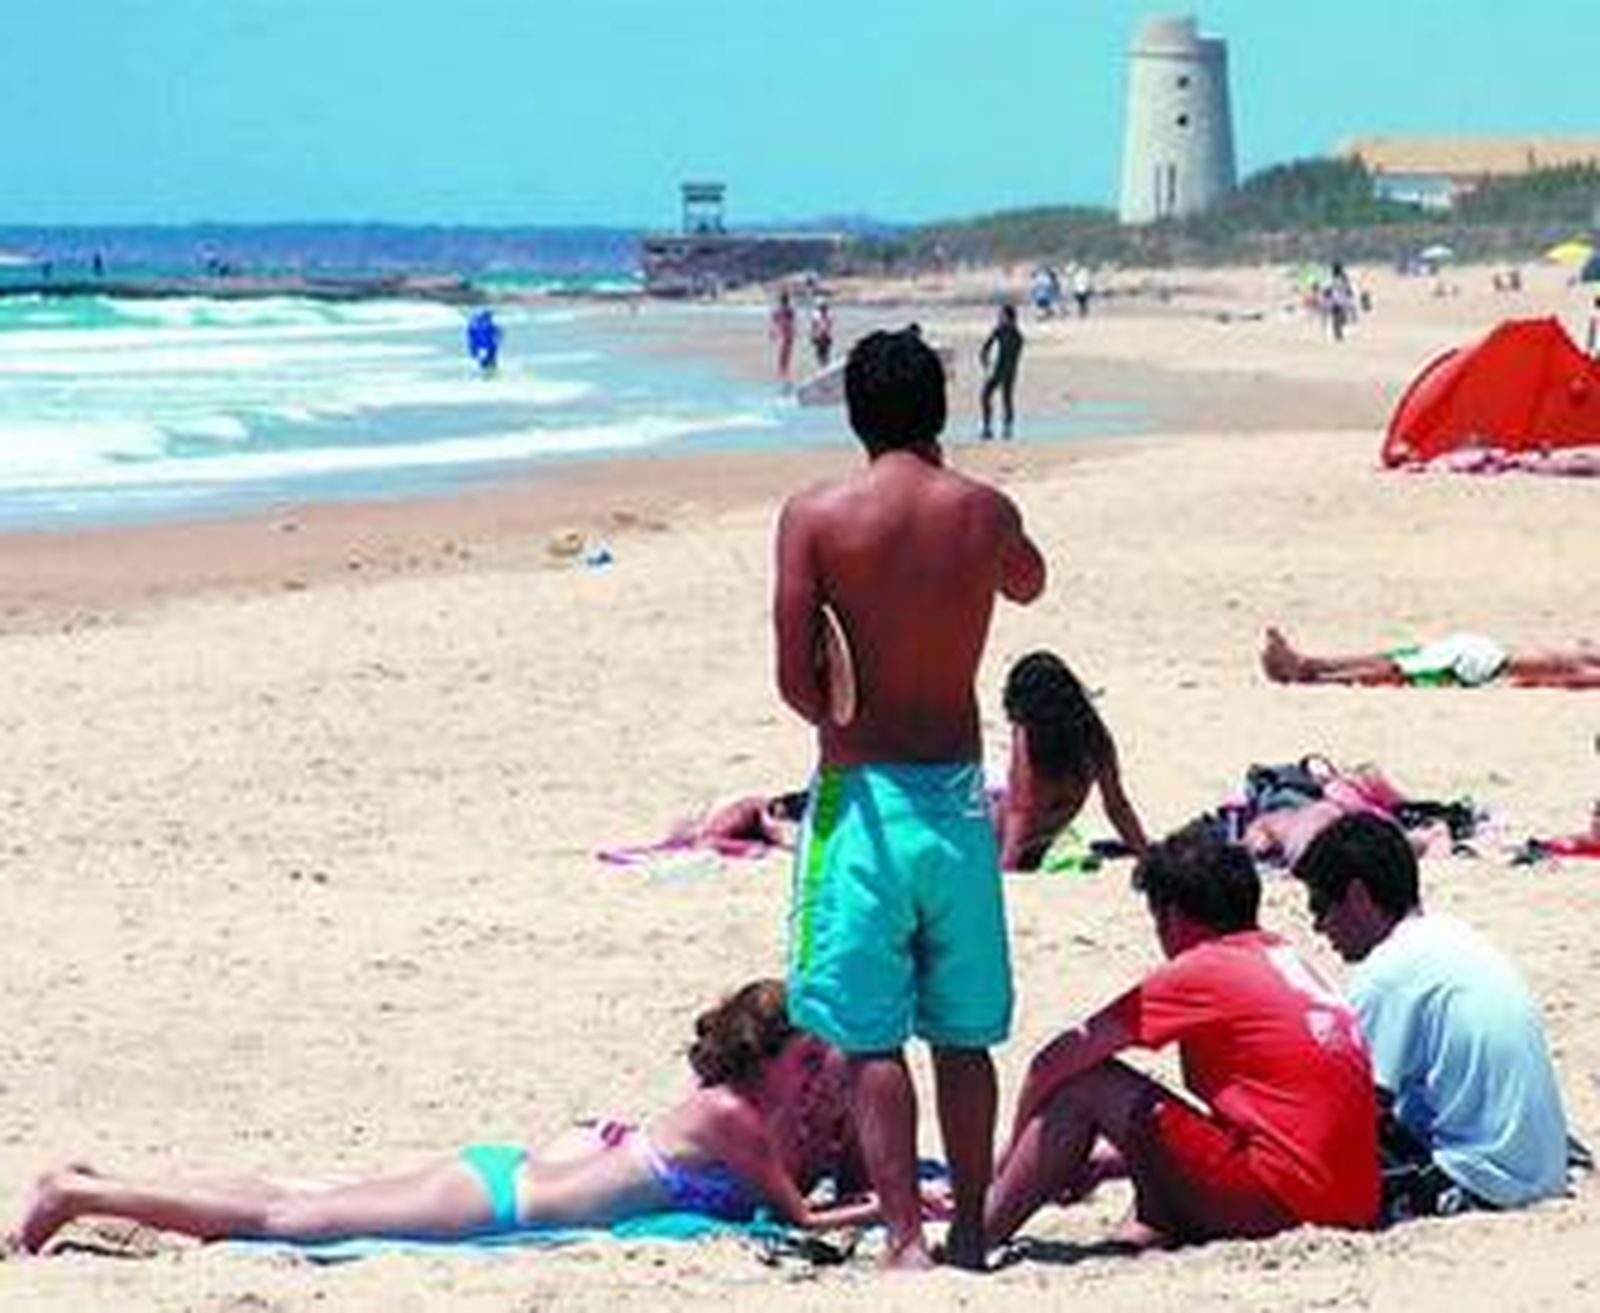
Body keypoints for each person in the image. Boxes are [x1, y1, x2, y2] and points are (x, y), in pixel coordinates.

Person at [772, 326, 1046, 1269]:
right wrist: (958, 495)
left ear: (853, 413)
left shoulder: (816, 515)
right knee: (963, 1036)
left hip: (863, 805)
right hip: (961, 807)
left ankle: (904, 1241)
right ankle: (972, 1230)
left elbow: (799, 688)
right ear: (940, 410)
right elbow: (1030, 581)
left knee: (870, 1036)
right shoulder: (982, 511)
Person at [10, 981, 880, 1255]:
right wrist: (901, 1215)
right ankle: (80, 1193)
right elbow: (803, 1218)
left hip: (507, 1176)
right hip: (497, 1204)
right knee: (287, 1219)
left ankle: (102, 1183)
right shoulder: (732, 1117)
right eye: (807, 1062)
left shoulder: (732, 1115)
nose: (817, 1078)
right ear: (766, 1057)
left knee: (299, 1195)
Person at [984, 824, 1379, 1250]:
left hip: (1284, 1203)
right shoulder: (1284, 958)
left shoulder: (1205, 968)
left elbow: (1051, 1064)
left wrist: (1002, 1169)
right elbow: (1283, 1131)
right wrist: (1104, 1163)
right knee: (1152, 1170)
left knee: (1088, 1084)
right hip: (1352, 1203)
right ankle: (1134, 1234)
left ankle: (976, 1233)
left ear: (1170, 916)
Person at [1293, 814, 1570, 1216]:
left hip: (1481, 1181)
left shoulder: (1387, 973)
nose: (1318, 927)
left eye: (1320, 906)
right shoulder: (1454, 936)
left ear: (1356, 896)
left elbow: (1350, 1106)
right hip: (1542, 1171)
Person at [996, 651, 1147, 870]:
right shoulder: (1089, 738)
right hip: (1008, 839)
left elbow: (1021, 809)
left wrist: (1146, 857)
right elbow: (1117, 805)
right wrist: (1006, 867)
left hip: (1016, 838)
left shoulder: (1087, 738)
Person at [1261, 626, 1600, 690]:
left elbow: (1577, 677)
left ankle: (1314, 676)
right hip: (1486, 655)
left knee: (1399, 670)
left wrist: (1524, 682)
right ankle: (1311, 665)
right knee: (1402, 658)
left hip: (1488, 667)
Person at [979, 304, 1024, 441]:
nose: (999, 318)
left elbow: (1012, 354)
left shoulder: (1016, 335)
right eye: (999, 315)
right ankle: (987, 427)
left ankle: (1007, 428)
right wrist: (985, 361)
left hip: (1007, 370)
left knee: (1006, 398)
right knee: (985, 396)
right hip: (998, 369)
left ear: (1009, 318)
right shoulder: (998, 331)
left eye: (1002, 315)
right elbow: (985, 348)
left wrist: (991, 363)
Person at [770, 290, 797, 386]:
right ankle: (784, 375)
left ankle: (783, 375)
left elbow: (775, 322)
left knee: (783, 356)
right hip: (785, 334)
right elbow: (776, 322)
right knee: (785, 356)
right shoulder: (787, 310)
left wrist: (773, 333)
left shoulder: (785, 310)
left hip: (784, 334)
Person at [808, 298, 834, 370]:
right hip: (819, 336)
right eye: (821, 307)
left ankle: (825, 367)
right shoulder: (816, 314)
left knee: (825, 353)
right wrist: (812, 335)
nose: (822, 309)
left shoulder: (828, 314)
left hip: (825, 336)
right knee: (820, 353)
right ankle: (822, 368)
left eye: (823, 307)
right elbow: (813, 326)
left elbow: (829, 325)